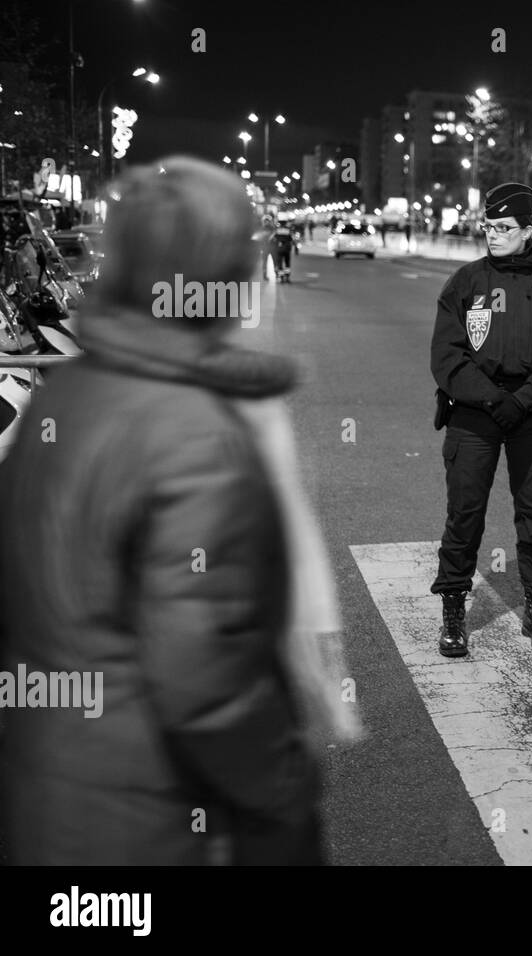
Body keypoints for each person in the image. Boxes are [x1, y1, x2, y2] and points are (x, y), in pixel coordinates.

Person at [0, 157, 343, 865]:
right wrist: (288, 790)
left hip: (52, 795)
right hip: (155, 819)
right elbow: (205, 681)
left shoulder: (68, 394)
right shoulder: (193, 431)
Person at [429, 183, 532, 657]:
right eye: (488, 227)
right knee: (465, 516)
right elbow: (447, 357)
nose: (492, 235)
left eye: (503, 228)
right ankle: (454, 610)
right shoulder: (465, 282)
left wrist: (525, 399)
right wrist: (493, 399)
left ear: (529, 231)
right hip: (475, 417)